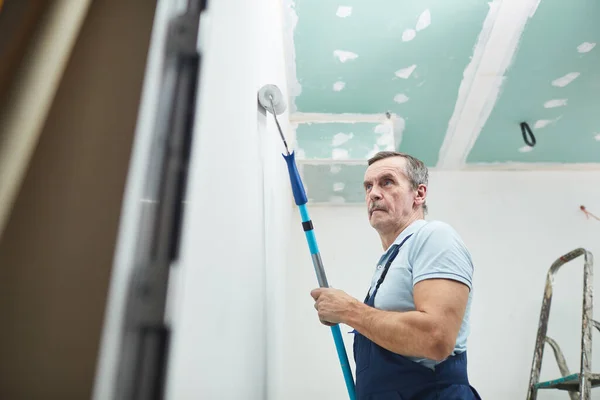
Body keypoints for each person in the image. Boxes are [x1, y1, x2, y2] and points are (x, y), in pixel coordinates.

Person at [310, 151, 480, 399]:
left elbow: (435, 338)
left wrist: (348, 311)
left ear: (419, 194)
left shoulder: (434, 237)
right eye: (368, 186)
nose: (374, 193)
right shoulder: (390, 260)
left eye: (387, 182)